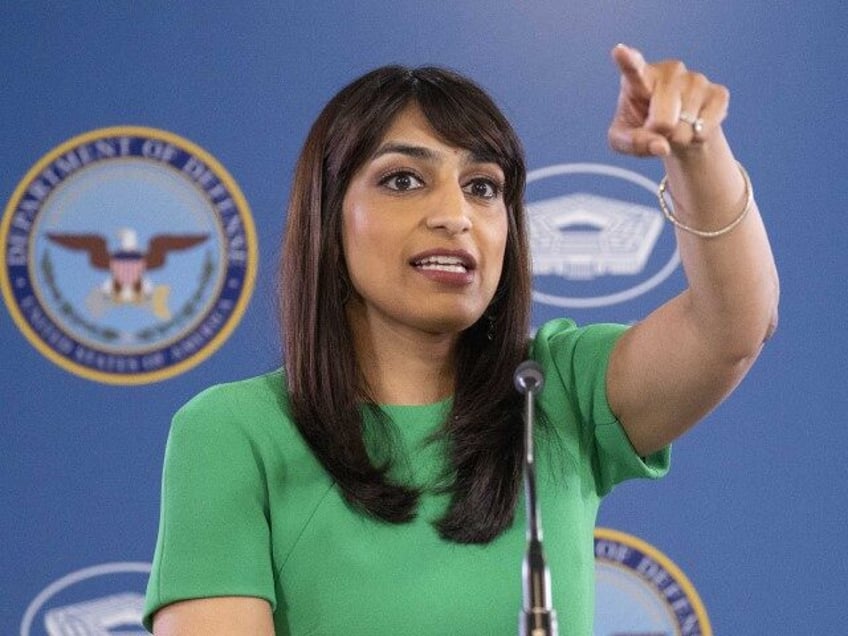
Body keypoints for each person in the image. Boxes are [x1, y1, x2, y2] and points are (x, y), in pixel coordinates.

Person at [142, 44, 779, 635]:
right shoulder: (234, 431)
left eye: (483, 188)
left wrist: (696, 152)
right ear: (328, 218)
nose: (456, 215)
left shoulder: (552, 391)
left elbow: (733, 327)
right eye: (402, 180)